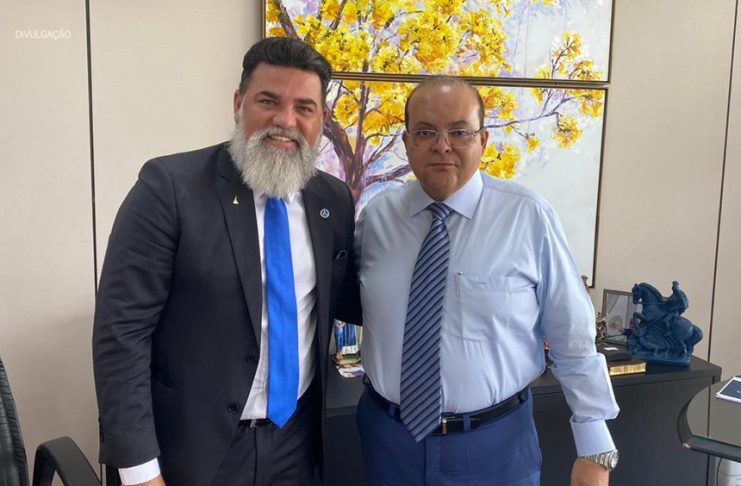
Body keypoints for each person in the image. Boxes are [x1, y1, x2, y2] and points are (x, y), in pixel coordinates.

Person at [92, 37, 359, 486]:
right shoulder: (168, 188)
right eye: (268, 101)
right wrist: (139, 471)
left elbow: (349, 297)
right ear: (238, 104)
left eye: (304, 108)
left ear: (322, 119)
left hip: (295, 445)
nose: (285, 121)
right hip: (192, 451)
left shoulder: (332, 199)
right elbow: (121, 334)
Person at [354, 77, 619, 486]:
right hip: (389, 442)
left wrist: (595, 449)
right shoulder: (377, 217)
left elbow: (572, 334)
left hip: (496, 447)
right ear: (406, 143)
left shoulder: (527, 217)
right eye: (425, 132)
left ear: (483, 140)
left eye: (459, 131)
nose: (442, 146)